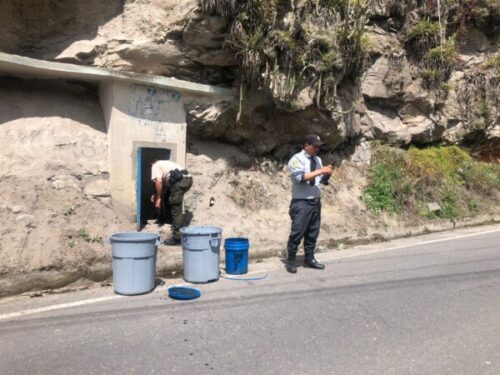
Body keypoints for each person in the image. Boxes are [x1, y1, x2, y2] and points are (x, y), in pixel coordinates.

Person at [286, 134, 333, 273]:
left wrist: (327, 173)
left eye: (318, 146)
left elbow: (320, 180)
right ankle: (291, 260)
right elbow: (301, 177)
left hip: (315, 201)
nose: (317, 149)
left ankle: (309, 258)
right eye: (314, 146)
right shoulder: (297, 159)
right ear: (306, 145)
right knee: (297, 232)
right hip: (301, 202)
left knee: (313, 232)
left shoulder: (317, 159)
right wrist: (321, 170)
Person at [151, 159, 193, 245]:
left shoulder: (155, 166)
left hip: (179, 181)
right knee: (169, 197)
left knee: (176, 208)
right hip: (187, 179)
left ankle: (177, 239)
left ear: (152, 164)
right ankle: (169, 221)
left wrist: (158, 198)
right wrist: (157, 195)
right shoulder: (165, 164)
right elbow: (164, 185)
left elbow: (159, 181)